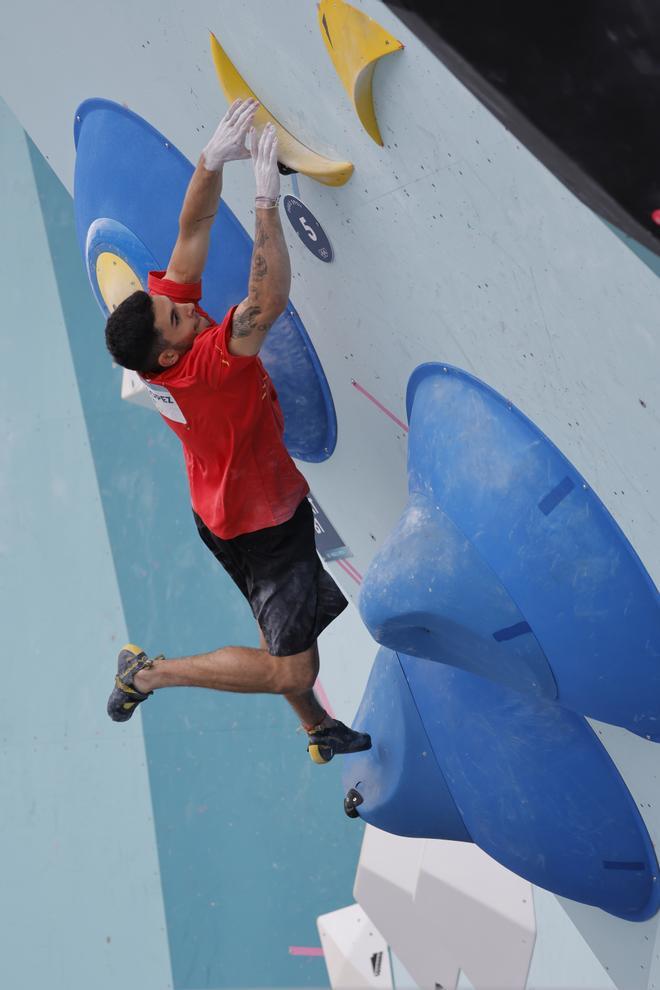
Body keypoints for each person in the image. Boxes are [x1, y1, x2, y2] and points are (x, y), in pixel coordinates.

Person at [103, 98, 370, 763]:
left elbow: (191, 228)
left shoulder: (168, 345)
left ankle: (316, 729)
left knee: (276, 628)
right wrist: (263, 204)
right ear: (169, 353)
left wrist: (209, 161)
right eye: (173, 313)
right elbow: (267, 299)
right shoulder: (210, 367)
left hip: (218, 511)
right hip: (265, 524)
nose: (178, 299)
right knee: (292, 668)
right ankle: (149, 673)